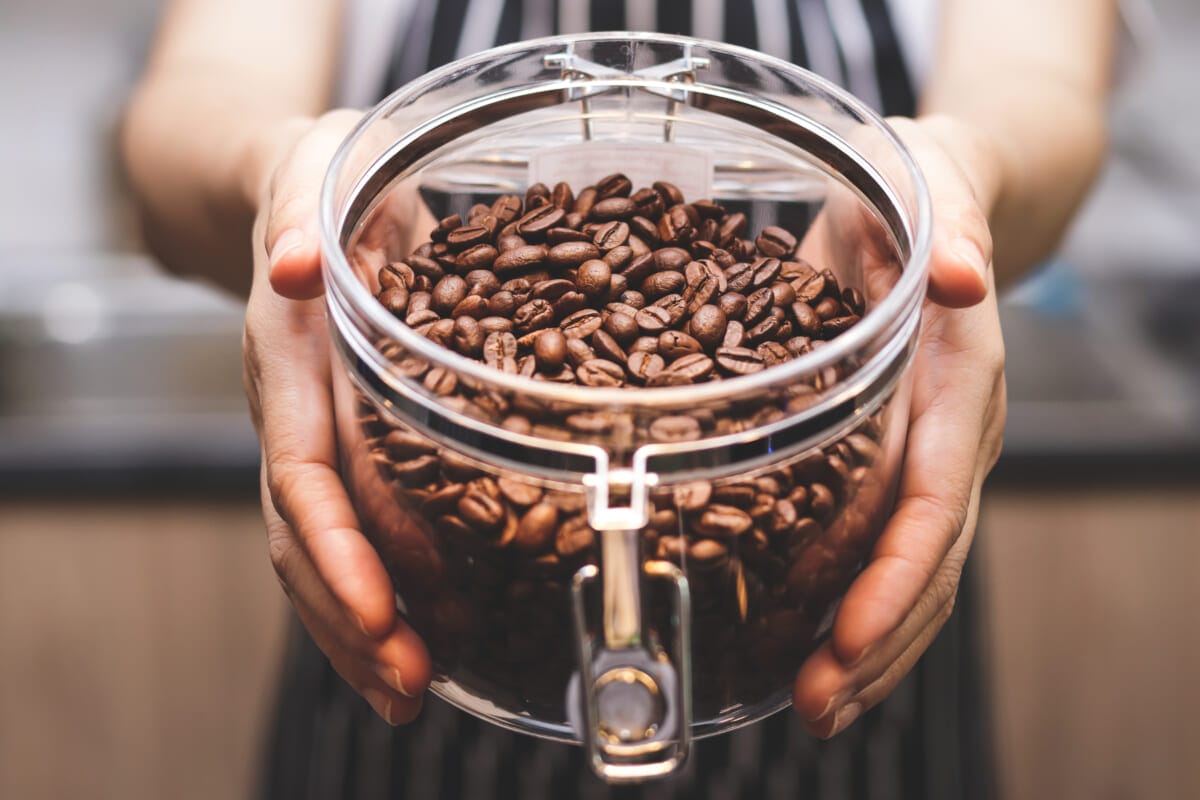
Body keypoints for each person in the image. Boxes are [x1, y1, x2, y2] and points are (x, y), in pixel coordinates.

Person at [121, 1, 1115, 796]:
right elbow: (192, 108)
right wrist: (288, 177)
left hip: (833, 569)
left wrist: (956, 185)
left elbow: (1044, 87)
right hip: (426, 607)